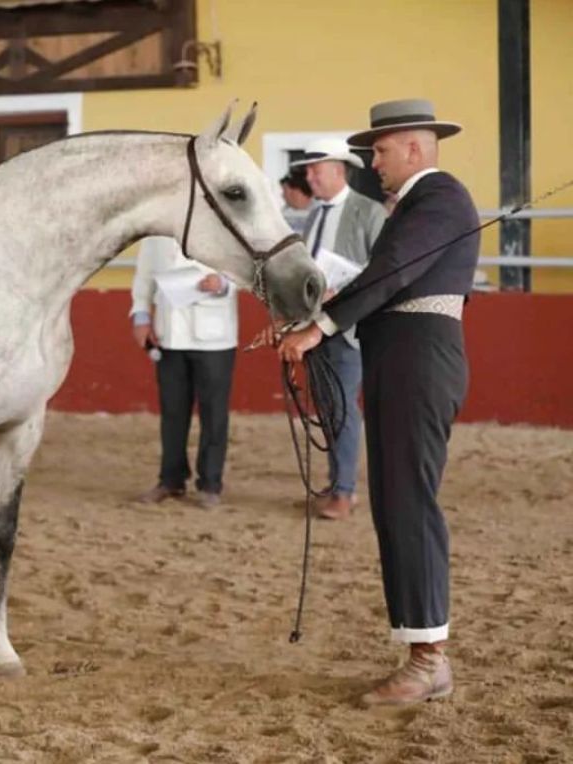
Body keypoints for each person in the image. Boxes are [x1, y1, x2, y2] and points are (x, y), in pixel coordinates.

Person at [275, 99, 478, 707]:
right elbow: (388, 275)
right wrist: (317, 319)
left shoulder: (438, 196)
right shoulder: (418, 205)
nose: (373, 162)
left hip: (419, 363)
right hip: (401, 361)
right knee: (394, 499)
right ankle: (422, 653)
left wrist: (321, 326)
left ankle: (428, 661)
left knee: (407, 500)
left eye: (381, 151)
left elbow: (392, 269)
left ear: (414, 148)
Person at [289, 138, 387, 520]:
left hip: (349, 329)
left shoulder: (369, 212)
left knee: (342, 410)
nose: (309, 176)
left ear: (338, 170)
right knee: (329, 409)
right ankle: (336, 485)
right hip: (315, 326)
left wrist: (341, 289)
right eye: (308, 169)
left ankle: (344, 491)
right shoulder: (314, 215)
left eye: (316, 169)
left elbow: (383, 270)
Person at [131, 236, 238, 509]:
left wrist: (224, 284)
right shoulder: (156, 234)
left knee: (213, 412)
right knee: (173, 411)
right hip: (170, 336)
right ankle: (171, 479)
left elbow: (245, 268)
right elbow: (144, 276)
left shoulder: (222, 221)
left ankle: (211, 483)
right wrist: (141, 316)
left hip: (214, 337)